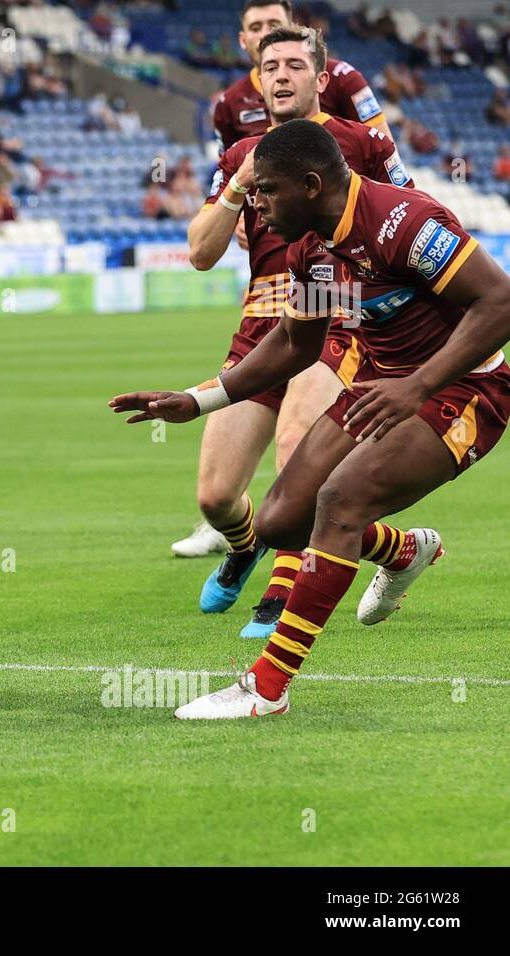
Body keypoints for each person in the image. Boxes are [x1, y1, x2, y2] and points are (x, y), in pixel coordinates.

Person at [111, 118, 510, 717]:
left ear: (312, 184)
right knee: (278, 524)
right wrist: (198, 400)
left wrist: (418, 384)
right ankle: (401, 551)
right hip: (382, 387)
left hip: (464, 389)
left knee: (340, 502)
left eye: (266, 190)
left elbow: (500, 302)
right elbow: (296, 344)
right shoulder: (311, 251)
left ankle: (265, 688)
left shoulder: (404, 223)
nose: (256, 204)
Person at [181, 27, 413, 637]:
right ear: (258, 81)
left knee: (295, 452)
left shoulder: (360, 142)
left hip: (332, 314)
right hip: (262, 321)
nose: (280, 75)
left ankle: (281, 598)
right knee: (215, 496)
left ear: (319, 77)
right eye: (269, 67)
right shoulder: (239, 156)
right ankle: (387, 548)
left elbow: (409, 211)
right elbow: (201, 254)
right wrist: (237, 189)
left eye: (293, 64)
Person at [212, 0, 391, 155]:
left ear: (291, 27)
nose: (265, 34)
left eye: (274, 25)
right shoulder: (227, 104)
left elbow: (384, 151)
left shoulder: (342, 77)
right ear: (243, 40)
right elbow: (228, 174)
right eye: (255, 28)